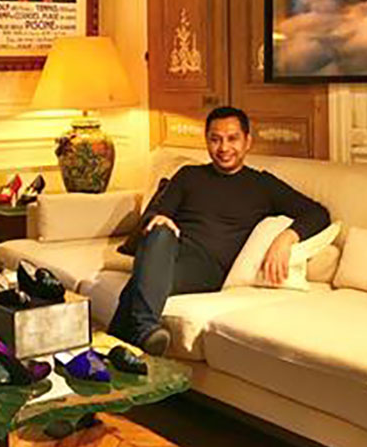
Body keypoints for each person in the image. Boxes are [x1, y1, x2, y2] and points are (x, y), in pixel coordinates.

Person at [107, 106, 330, 355]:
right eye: (215, 139)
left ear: (247, 141)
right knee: (159, 231)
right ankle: (139, 337)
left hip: (208, 269)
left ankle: (125, 340)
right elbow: (155, 214)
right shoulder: (189, 175)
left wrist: (286, 238)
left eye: (232, 139)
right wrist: (159, 217)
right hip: (169, 251)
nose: (224, 148)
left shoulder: (263, 185)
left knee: (140, 284)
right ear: (207, 141)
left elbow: (318, 213)